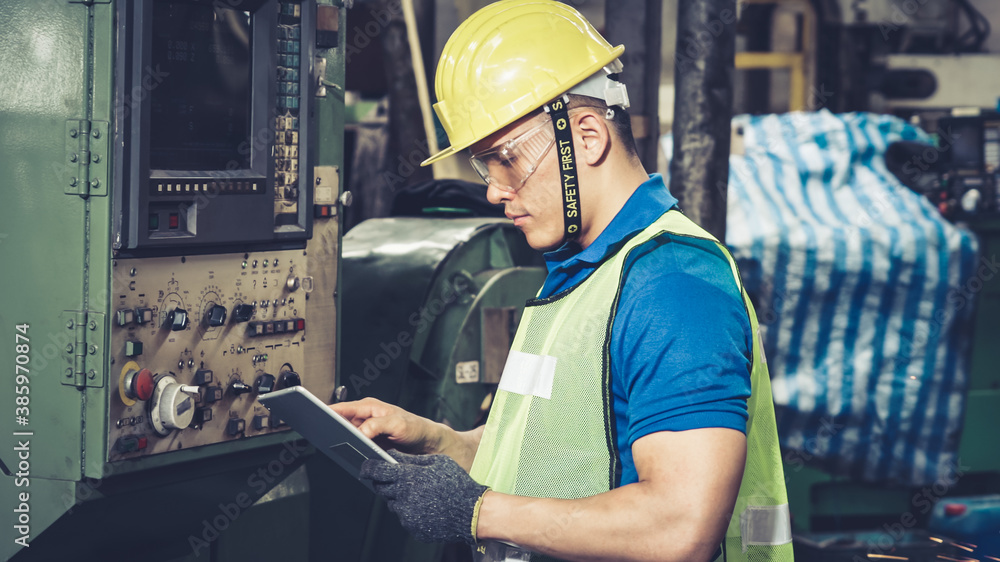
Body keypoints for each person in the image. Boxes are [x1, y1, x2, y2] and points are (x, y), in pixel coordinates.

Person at [332, 2, 793, 560]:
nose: (494, 192)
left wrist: (478, 511)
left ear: (590, 136)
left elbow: (681, 525)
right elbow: (540, 458)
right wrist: (434, 440)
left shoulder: (672, 284)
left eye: (505, 159)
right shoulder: (582, 275)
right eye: (484, 166)